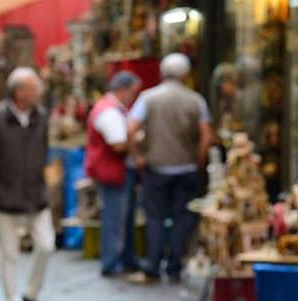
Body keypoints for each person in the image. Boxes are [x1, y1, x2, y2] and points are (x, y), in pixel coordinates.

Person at [0, 67, 53, 301]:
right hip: (6, 199)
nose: (39, 93)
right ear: (20, 92)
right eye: (35, 88)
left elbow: (43, 151)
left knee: (46, 246)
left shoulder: (41, 117)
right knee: (8, 255)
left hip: (36, 196)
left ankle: (31, 293)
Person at [129, 53, 214, 283]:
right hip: (185, 167)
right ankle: (174, 265)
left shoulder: (148, 98)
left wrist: (138, 156)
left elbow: (131, 128)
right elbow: (207, 137)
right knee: (182, 218)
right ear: (185, 75)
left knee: (155, 217)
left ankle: (153, 266)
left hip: (156, 167)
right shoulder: (196, 100)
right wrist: (198, 160)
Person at [84, 71, 142, 277]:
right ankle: (111, 262)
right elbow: (118, 144)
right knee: (115, 218)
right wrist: (135, 139)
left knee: (120, 217)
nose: (133, 98)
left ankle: (124, 258)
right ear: (123, 90)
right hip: (113, 172)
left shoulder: (111, 109)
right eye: (132, 93)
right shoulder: (109, 112)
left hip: (113, 171)